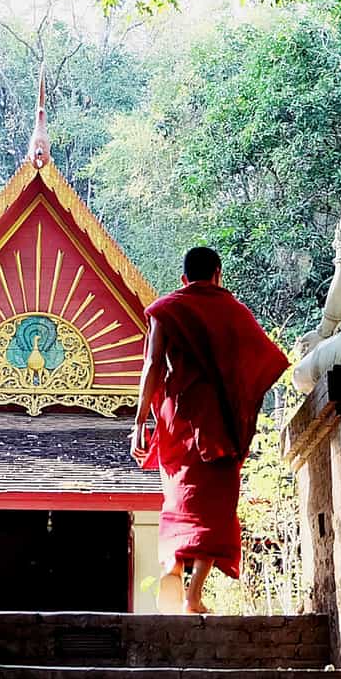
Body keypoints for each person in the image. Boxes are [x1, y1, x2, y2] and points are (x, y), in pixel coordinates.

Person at [132, 247, 289, 614]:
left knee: (178, 496)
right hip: (218, 421)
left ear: (183, 279)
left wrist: (140, 421)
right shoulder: (233, 311)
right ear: (218, 274)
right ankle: (193, 596)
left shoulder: (166, 309)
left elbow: (153, 365)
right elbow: (259, 363)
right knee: (215, 508)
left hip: (177, 419)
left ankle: (173, 563)